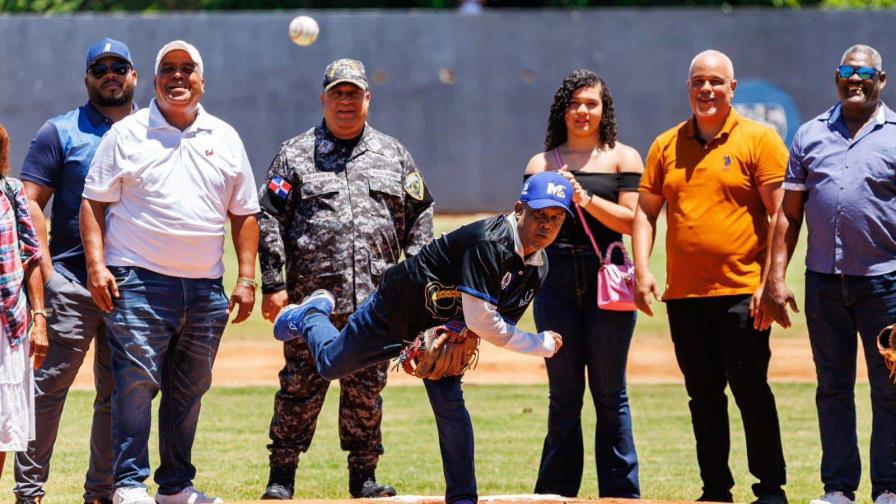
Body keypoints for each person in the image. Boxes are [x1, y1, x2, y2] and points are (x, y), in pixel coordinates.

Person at [272, 171, 570, 504]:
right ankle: (312, 314)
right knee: (329, 365)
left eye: (556, 219)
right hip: (394, 311)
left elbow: (493, 322)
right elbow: (485, 321)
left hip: (440, 332)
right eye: (540, 215)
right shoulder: (491, 242)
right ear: (520, 209)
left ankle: (462, 498)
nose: (546, 225)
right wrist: (540, 344)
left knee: (450, 404)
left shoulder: (537, 268)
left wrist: (464, 336)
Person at [79, 40, 260, 504]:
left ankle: (176, 487)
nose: (177, 77)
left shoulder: (225, 136)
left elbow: (244, 214)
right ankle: (129, 484)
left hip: (204, 288)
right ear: (154, 79)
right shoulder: (127, 134)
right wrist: (97, 267)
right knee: (136, 382)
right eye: (168, 69)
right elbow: (93, 203)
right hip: (138, 281)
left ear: (202, 80)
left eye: (187, 69)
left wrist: (244, 277)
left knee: (191, 387)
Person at [257, 58, 433, 500]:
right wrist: (275, 282)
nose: (346, 101)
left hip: (377, 301)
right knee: (299, 386)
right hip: (309, 305)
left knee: (367, 389)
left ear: (368, 99)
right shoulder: (295, 154)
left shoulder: (394, 155)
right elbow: (268, 218)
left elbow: (421, 214)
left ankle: (364, 476)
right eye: (338, 93)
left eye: (354, 93)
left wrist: (411, 279)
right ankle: (282, 476)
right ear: (323, 99)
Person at [632, 50, 788, 504]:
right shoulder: (666, 145)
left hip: (743, 292)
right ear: (689, 89)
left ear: (732, 88)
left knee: (751, 392)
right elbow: (645, 211)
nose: (707, 89)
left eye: (716, 82)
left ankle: (770, 489)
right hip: (685, 297)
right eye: (699, 81)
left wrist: (769, 282)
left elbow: (781, 214)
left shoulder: (760, 140)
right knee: (703, 398)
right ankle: (715, 490)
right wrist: (642, 270)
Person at [759, 44, 896, 504]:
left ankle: (889, 487)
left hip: (886, 283)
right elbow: (787, 216)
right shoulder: (810, 135)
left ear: (881, 80)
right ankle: (838, 488)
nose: (854, 79)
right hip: (824, 283)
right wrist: (776, 279)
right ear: (835, 76)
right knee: (832, 387)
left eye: (864, 72)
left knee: (890, 387)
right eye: (846, 71)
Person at [13, 37, 137, 504]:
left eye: (118, 66)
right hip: (71, 282)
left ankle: (100, 494)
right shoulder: (60, 132)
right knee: (48, 389)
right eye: (100, 67)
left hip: (133, 287)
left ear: (133, 76)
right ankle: (29, 493)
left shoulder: (152, 131)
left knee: (119, 395)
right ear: (87, 78)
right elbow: (29, 206)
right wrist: (46, 278)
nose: (110, 74)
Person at [525, 69, 642, 498]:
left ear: (603, 109)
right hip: (554, 279)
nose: (582, 111)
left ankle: (620, 492)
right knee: (564, 395)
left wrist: (585, 199)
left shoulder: (623, 158)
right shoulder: (541, 163)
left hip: (606, 277)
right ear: (563, 110)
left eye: (591, 104)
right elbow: (526, 229)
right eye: (575, 104)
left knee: (611, 393)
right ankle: (556, 492)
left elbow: (633, 222)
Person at [0, 124, 47, 480]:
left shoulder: (10, 192)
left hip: (7, 327)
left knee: (3, 422)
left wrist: (40, 319)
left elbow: (31, 257)